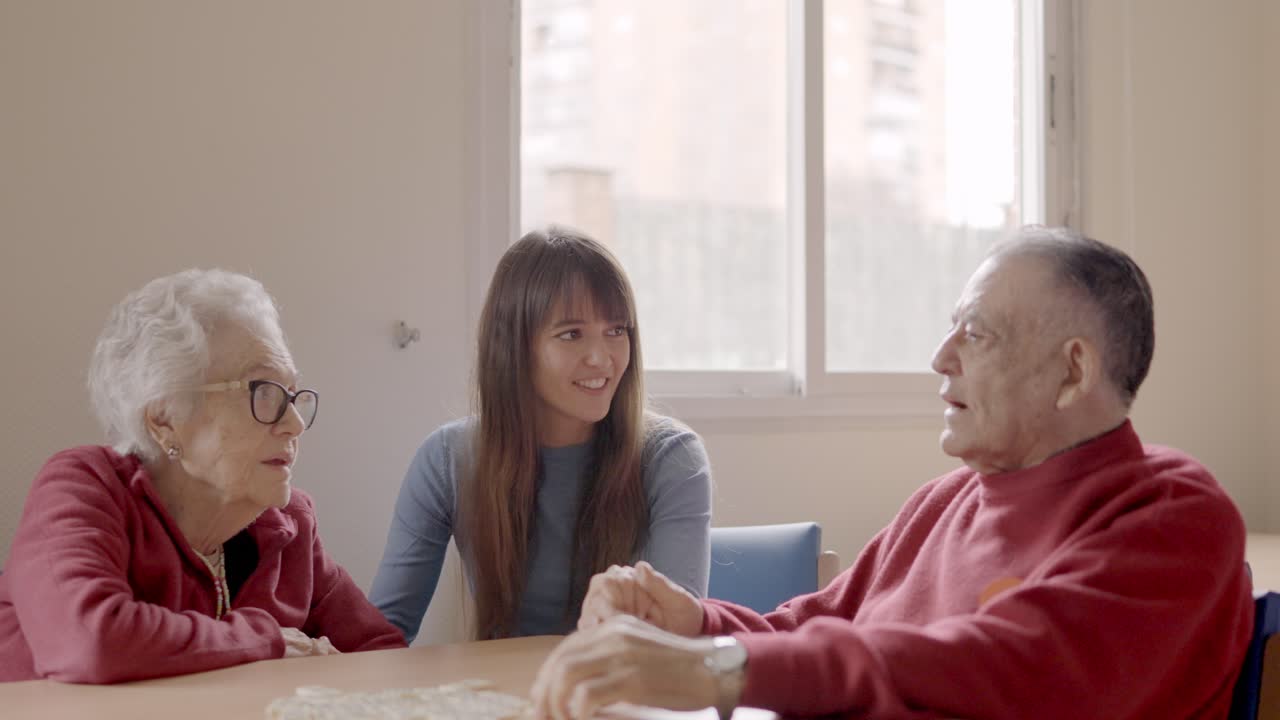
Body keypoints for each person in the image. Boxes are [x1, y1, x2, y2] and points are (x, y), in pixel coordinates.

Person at [531, 227, 1253, 720]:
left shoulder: (1173, 514)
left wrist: (721, 666)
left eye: (975, 334)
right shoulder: (942, 503)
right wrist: (692, 624)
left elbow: (1007, 666)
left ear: (1073, 372)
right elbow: (810, 629)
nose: (941, 358)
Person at [0, 269, 405, 683]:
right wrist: (271, 642)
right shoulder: (84, 488)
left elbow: (384, 657)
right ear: (165, 420)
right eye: (263, 391)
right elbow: (90, 642)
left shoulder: (288, 527)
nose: (295, 423)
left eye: (290, 395)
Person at [370, 228, 712, 642]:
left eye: (616, 330)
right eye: (571, 334)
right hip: (502, 699)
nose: (602, 358)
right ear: (513, 346)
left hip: (621, 696)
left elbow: (670, 639)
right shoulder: (447, 458)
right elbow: (383, 636)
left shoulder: (672, 457)